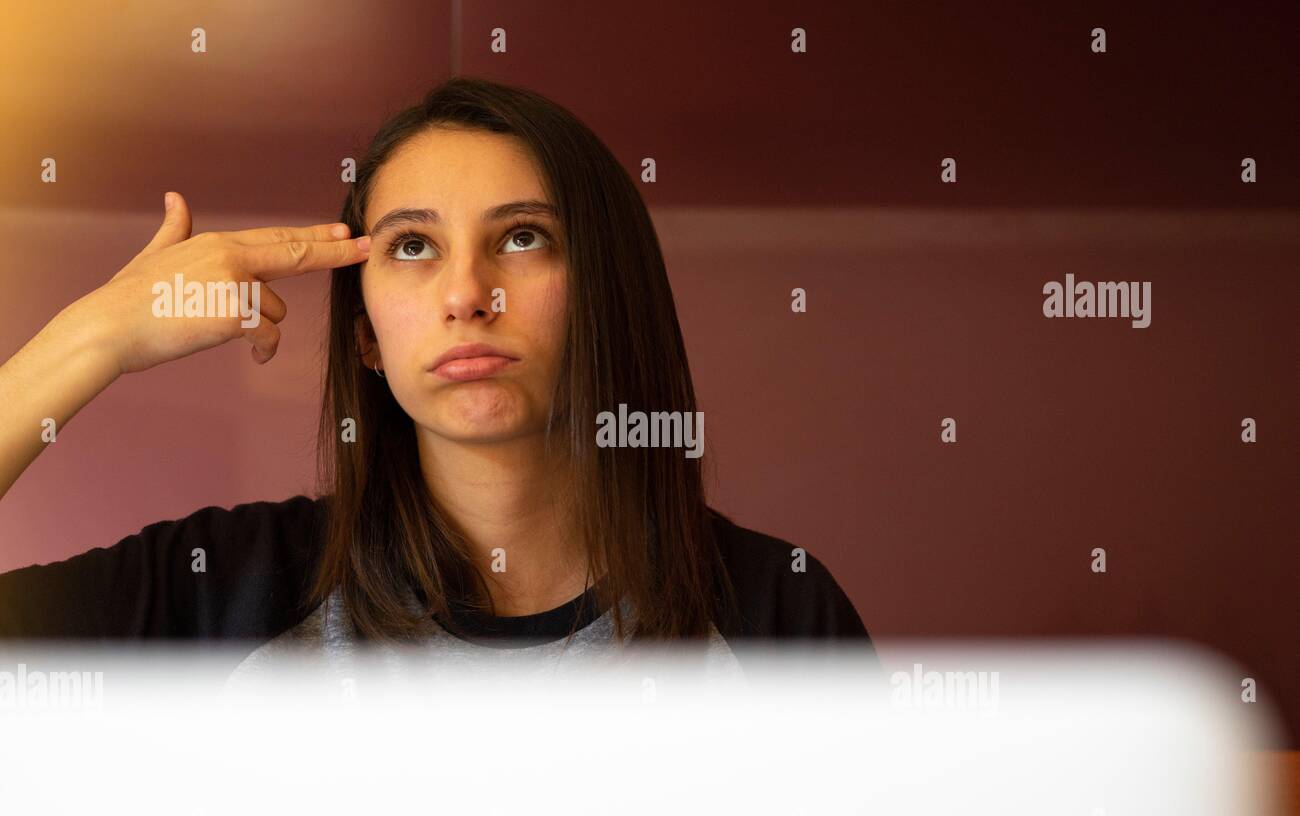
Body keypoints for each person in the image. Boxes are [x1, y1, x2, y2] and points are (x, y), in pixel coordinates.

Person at [0, 77, 871, 674]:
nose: (466, 293)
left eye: (523, 237)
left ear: (609, 291)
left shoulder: (777, 613)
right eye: (412, 247)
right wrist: (94, 336)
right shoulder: (218, 589)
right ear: (366, 336)